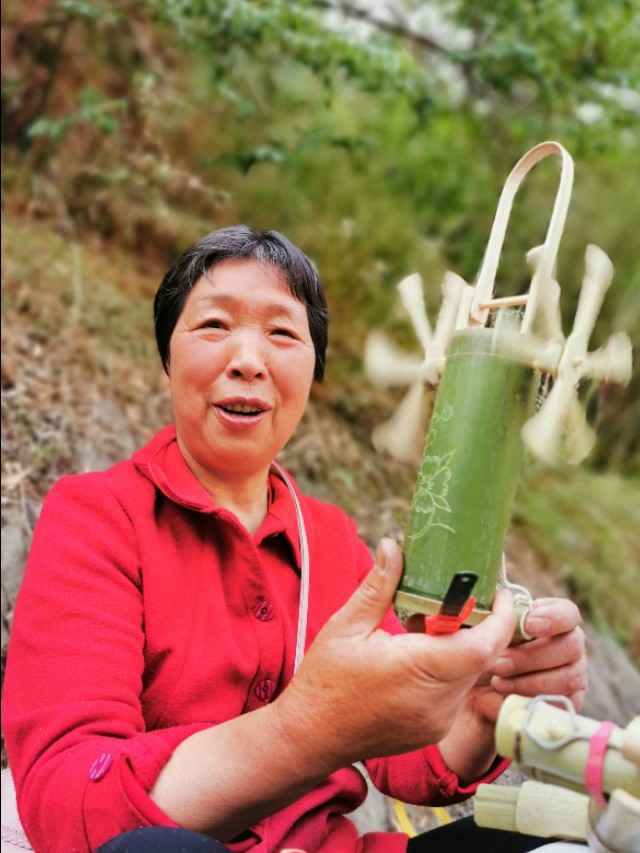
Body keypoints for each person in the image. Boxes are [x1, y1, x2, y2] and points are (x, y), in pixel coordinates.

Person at [2, 226, 587, 853]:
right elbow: (69, 807)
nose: (249, 359)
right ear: (168, 356)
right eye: (213, 326)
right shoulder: (97, 515)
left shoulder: (330, 541)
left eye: (282, 333)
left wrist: (476, 703)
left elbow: (410, 760)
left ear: (313, 370)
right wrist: (303, 731)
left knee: (575, 832)